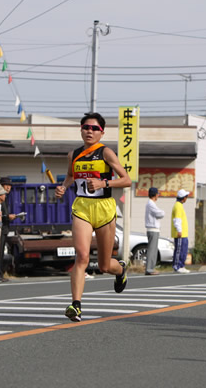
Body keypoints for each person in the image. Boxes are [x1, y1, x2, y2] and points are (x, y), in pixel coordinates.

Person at [55, 112, 132, 322]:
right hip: (82, 207)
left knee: (104, 266)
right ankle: (76, 305)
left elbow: (126, 180)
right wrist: (63, 187)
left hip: (104, 208)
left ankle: (120, 270)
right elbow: (70, 175)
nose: (89, 131)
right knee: (82, 256)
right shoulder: (73, 154)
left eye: (94, 128)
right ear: (81, 130)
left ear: (102, 132)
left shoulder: (106, 152)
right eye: (86, 127)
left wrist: (103, 183)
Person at [0, 176, 16, 283]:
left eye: (9, 186)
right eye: (6, 185)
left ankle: (0, 273)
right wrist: (7, 217)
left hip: (4, 228)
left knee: (1, 252)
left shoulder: (5, 199)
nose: (8, 188)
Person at [144, 187, 164, 275]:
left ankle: (151, 268)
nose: (158, 196)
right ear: (155, 195)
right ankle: (149, 269)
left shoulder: (151, 204)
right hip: (152, 229)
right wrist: (163, 212)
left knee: (153, 250)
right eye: (157, 194)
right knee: (152, 250)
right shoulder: (150, 204)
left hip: (154, 230)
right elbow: (159, 213)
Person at [171, 189, 191, 274]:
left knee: (183, 250)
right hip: (180, 233)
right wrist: (179, 230)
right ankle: (177, 266)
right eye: (186, 196)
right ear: (183, 197)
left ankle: (181, 265)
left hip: (183, 234)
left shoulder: (179, 205)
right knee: (179, 250)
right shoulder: (178, 206)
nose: (187, 198)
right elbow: (177, 220)